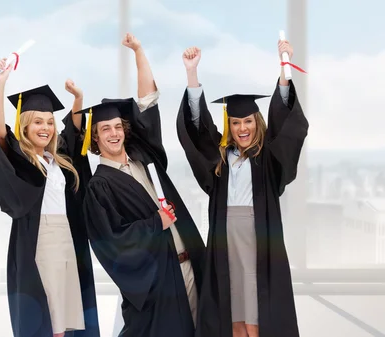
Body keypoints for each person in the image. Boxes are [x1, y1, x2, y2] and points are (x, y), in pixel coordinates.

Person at [176, 40, 308, 337]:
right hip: (225, 240)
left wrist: (284, 67)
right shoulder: (220, 158)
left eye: (247, 120)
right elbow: (198, 130)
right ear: (229, 125)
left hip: (259, 240)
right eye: (235, 123)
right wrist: (192, 74)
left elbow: (286, 125)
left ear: (256, 121)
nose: (242, 128)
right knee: (231, 307)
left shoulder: (267, 159)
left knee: (258, 310)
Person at [79, 33, 205, 337]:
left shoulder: (143, 158)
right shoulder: (99, 187)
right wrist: (154, 223)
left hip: (191, 266)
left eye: (117, 127)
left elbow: (147, 104)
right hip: (158, 281)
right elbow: (110, 242)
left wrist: (139, 52)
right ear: (94, 138)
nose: (113, 133)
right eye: (104, 129)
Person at [0, 58, 99, 337]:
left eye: (49, 122)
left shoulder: (56, 158)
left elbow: (73, 134)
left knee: (64, 318)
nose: (45, 127)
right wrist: (0, 85)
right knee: (47, 317)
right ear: (24, 125)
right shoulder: (21, 157)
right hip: (39, 240)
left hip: (65, 239)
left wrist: (79, 99)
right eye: (38, 121)